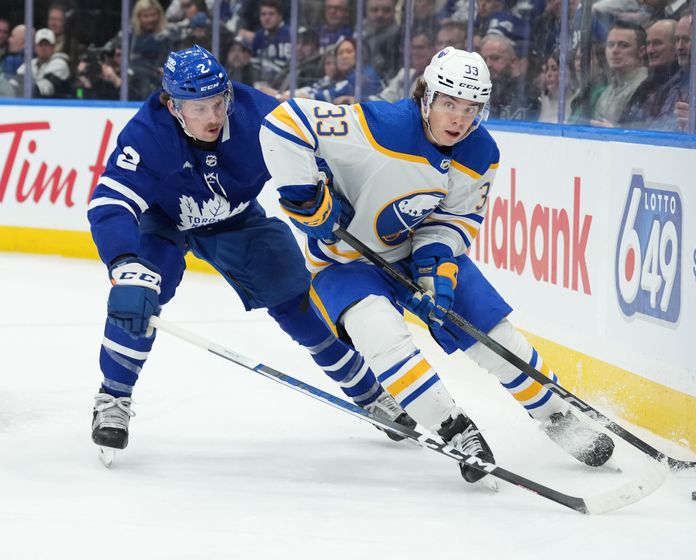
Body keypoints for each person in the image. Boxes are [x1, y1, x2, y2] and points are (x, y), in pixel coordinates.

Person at [259, 47, 616, 484]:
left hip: (413, 252)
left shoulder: (481, 151)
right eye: (449, 104)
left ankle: (559, 417)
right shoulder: (379, 126)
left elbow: (456, 219)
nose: (459, 119)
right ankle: (457, 430)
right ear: (426, 97)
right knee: (383, 338)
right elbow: (285, 121)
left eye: (471, 109)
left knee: (491, 332)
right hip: (344, 261)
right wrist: (306, 199)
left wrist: (436, 269)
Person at [87, 45, 414, 457]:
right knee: (139, 295)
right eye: (198, 108)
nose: (212, 117)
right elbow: (110, 203)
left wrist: (328, 193)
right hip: (164, 219)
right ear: (173, 107)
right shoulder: (148, 133)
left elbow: (316, 154)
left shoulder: (258, 114)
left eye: (217, 103)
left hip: (237, 218)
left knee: (297, 302)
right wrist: (123, 262)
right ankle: (113, 398)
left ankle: (369, 393)